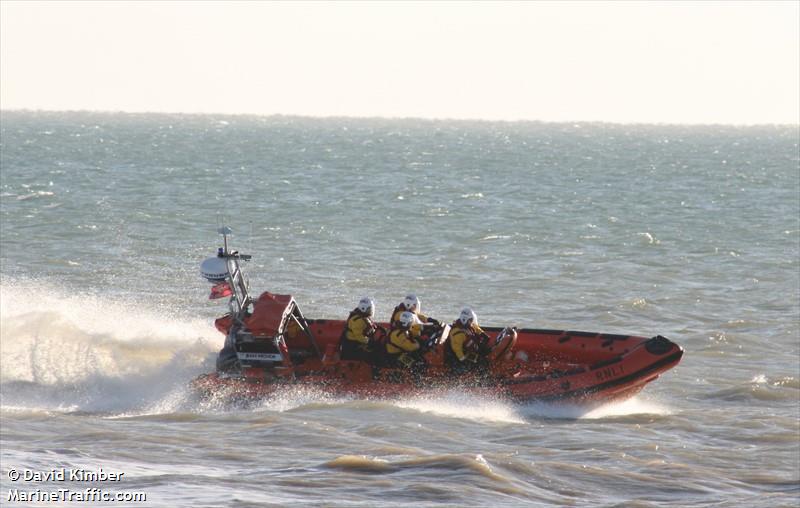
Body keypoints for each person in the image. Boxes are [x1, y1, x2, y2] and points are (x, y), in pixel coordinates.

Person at [446, 307, 491, 373]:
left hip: (467, 350)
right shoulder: (458, 333)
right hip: (457, 358)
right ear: (465, 319)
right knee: (481, 363)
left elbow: (475, 327)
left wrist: (482, 333)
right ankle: (482, 380)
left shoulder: (468, 325)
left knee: (485, 352)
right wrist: (464, 361)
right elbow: (457, 350)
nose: (472, 322)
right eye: (471, 320)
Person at [340, 297, 381, 362]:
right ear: (364, 309)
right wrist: (369, 342)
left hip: (357, 342)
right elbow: (359, 337)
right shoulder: (358, 321)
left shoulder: (362, 317)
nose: (371, 311)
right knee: (373, 353)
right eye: (369, 309)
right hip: (352, 345)